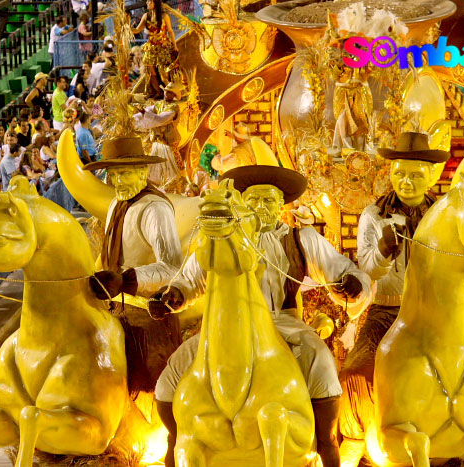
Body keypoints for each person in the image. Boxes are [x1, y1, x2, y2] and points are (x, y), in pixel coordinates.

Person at [151, 138, 371, 467]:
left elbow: (341, 270)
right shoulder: (223, 239)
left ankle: (326, 443)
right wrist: (174, 296)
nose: (262, 208)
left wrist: (352, 285)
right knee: (172, 372)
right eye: (254, 200)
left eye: (270, 201)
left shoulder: (300, 238)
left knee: (322, 361)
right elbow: (191, 278)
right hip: (227, 329)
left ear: (282, 204)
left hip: (285, 324)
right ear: (244, 204)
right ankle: (174, 440)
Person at [340, 132, 451, 461]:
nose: (407, 182)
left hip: (435, 313)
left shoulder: (443, 213)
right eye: (400, 173)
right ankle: (357, 434)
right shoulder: (374, 215)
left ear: (431, 175)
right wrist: (385, 251)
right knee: (354, 373)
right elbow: (368, 271)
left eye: (416, 175)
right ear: (390, 172)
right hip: (387, 313)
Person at [80, 135, 185, 398]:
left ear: (143, 171)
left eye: (124, 174)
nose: (117, 182)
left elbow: (173, 268)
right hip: (114, 309)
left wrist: (127, 280)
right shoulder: (117, 204)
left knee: (149, 388)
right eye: (113, 175)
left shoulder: (155, 210)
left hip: (147, 317)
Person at [133, 81, 184, 190]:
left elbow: (161, 119)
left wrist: (144, 113)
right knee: (155, 166)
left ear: (174, 96)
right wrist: (133, 119)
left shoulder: (174, 108)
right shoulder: (159, 104)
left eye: (169, 93)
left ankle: (172, 188)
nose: (166, 94)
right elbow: (148, 112)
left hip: (168, 142)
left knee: (170, 168)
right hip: (157, 142)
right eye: (166, 91)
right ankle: (157, 186)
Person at [132, 0, 178, 98]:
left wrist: (175, 46)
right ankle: (158, 92)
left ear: (155, 3)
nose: (147, 3)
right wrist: (126, 27)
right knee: (151, 73)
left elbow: (170, 31)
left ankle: (172, 93)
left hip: (163, 48)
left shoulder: (165, 16)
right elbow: (137, 30)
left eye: (149, 1)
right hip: (151, 49)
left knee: (163, 75)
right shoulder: (146, 16)